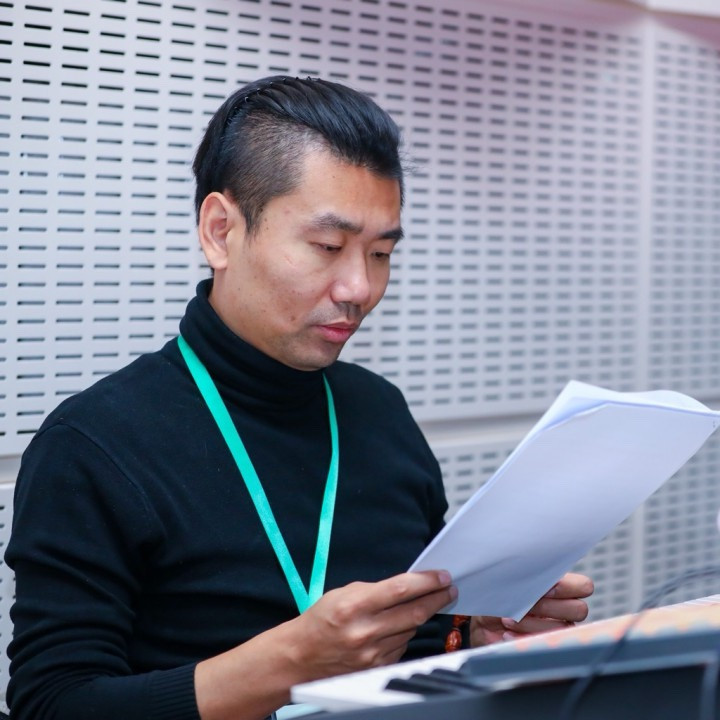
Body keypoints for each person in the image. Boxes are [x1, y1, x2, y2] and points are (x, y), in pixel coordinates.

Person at [6, 75, 593, 720]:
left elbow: (423, 639)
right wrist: (288, 665)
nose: (359, 288)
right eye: (328, 247)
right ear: (221, 231)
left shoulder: (379, 411)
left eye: (380, 253)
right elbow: (52, 705)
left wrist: (474, 638)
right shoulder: (95, 444)